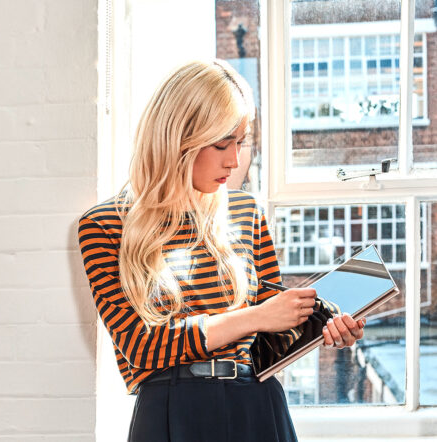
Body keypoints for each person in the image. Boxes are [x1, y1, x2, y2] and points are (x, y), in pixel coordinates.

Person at [77, 59, 366, 442]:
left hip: (258, 405)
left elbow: (268, 340)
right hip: (170, 412)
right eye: (220, 143)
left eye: (240, 142)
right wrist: (253, 317)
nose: (233, 159)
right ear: (177, 138)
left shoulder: (245, 213)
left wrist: (319, 326)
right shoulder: (104, 225)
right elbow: (141, 348)